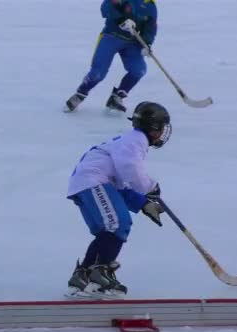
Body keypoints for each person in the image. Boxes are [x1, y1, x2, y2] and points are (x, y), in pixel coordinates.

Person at [66, 101, 171, 299]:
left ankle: (83, 277)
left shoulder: (129, 142)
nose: (164, 132)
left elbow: (121, 186)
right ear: (154, 127)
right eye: (162, 127)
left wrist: (144, 204)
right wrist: (150, 187)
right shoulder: (136, 140)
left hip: (89, 183)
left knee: (109, 231)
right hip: (93, 181)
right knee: (117, 224)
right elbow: (131, 169)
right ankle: (100, 277)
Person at [65, 0, 158, 112]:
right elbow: (105, 7)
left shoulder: (151, 5)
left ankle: (117, 97)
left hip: (132, 43)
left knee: (139, 70)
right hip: (111, 36)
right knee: (98, 73)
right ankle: (80, 94)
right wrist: (121, 19)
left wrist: (147, 44)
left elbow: (150, 28)